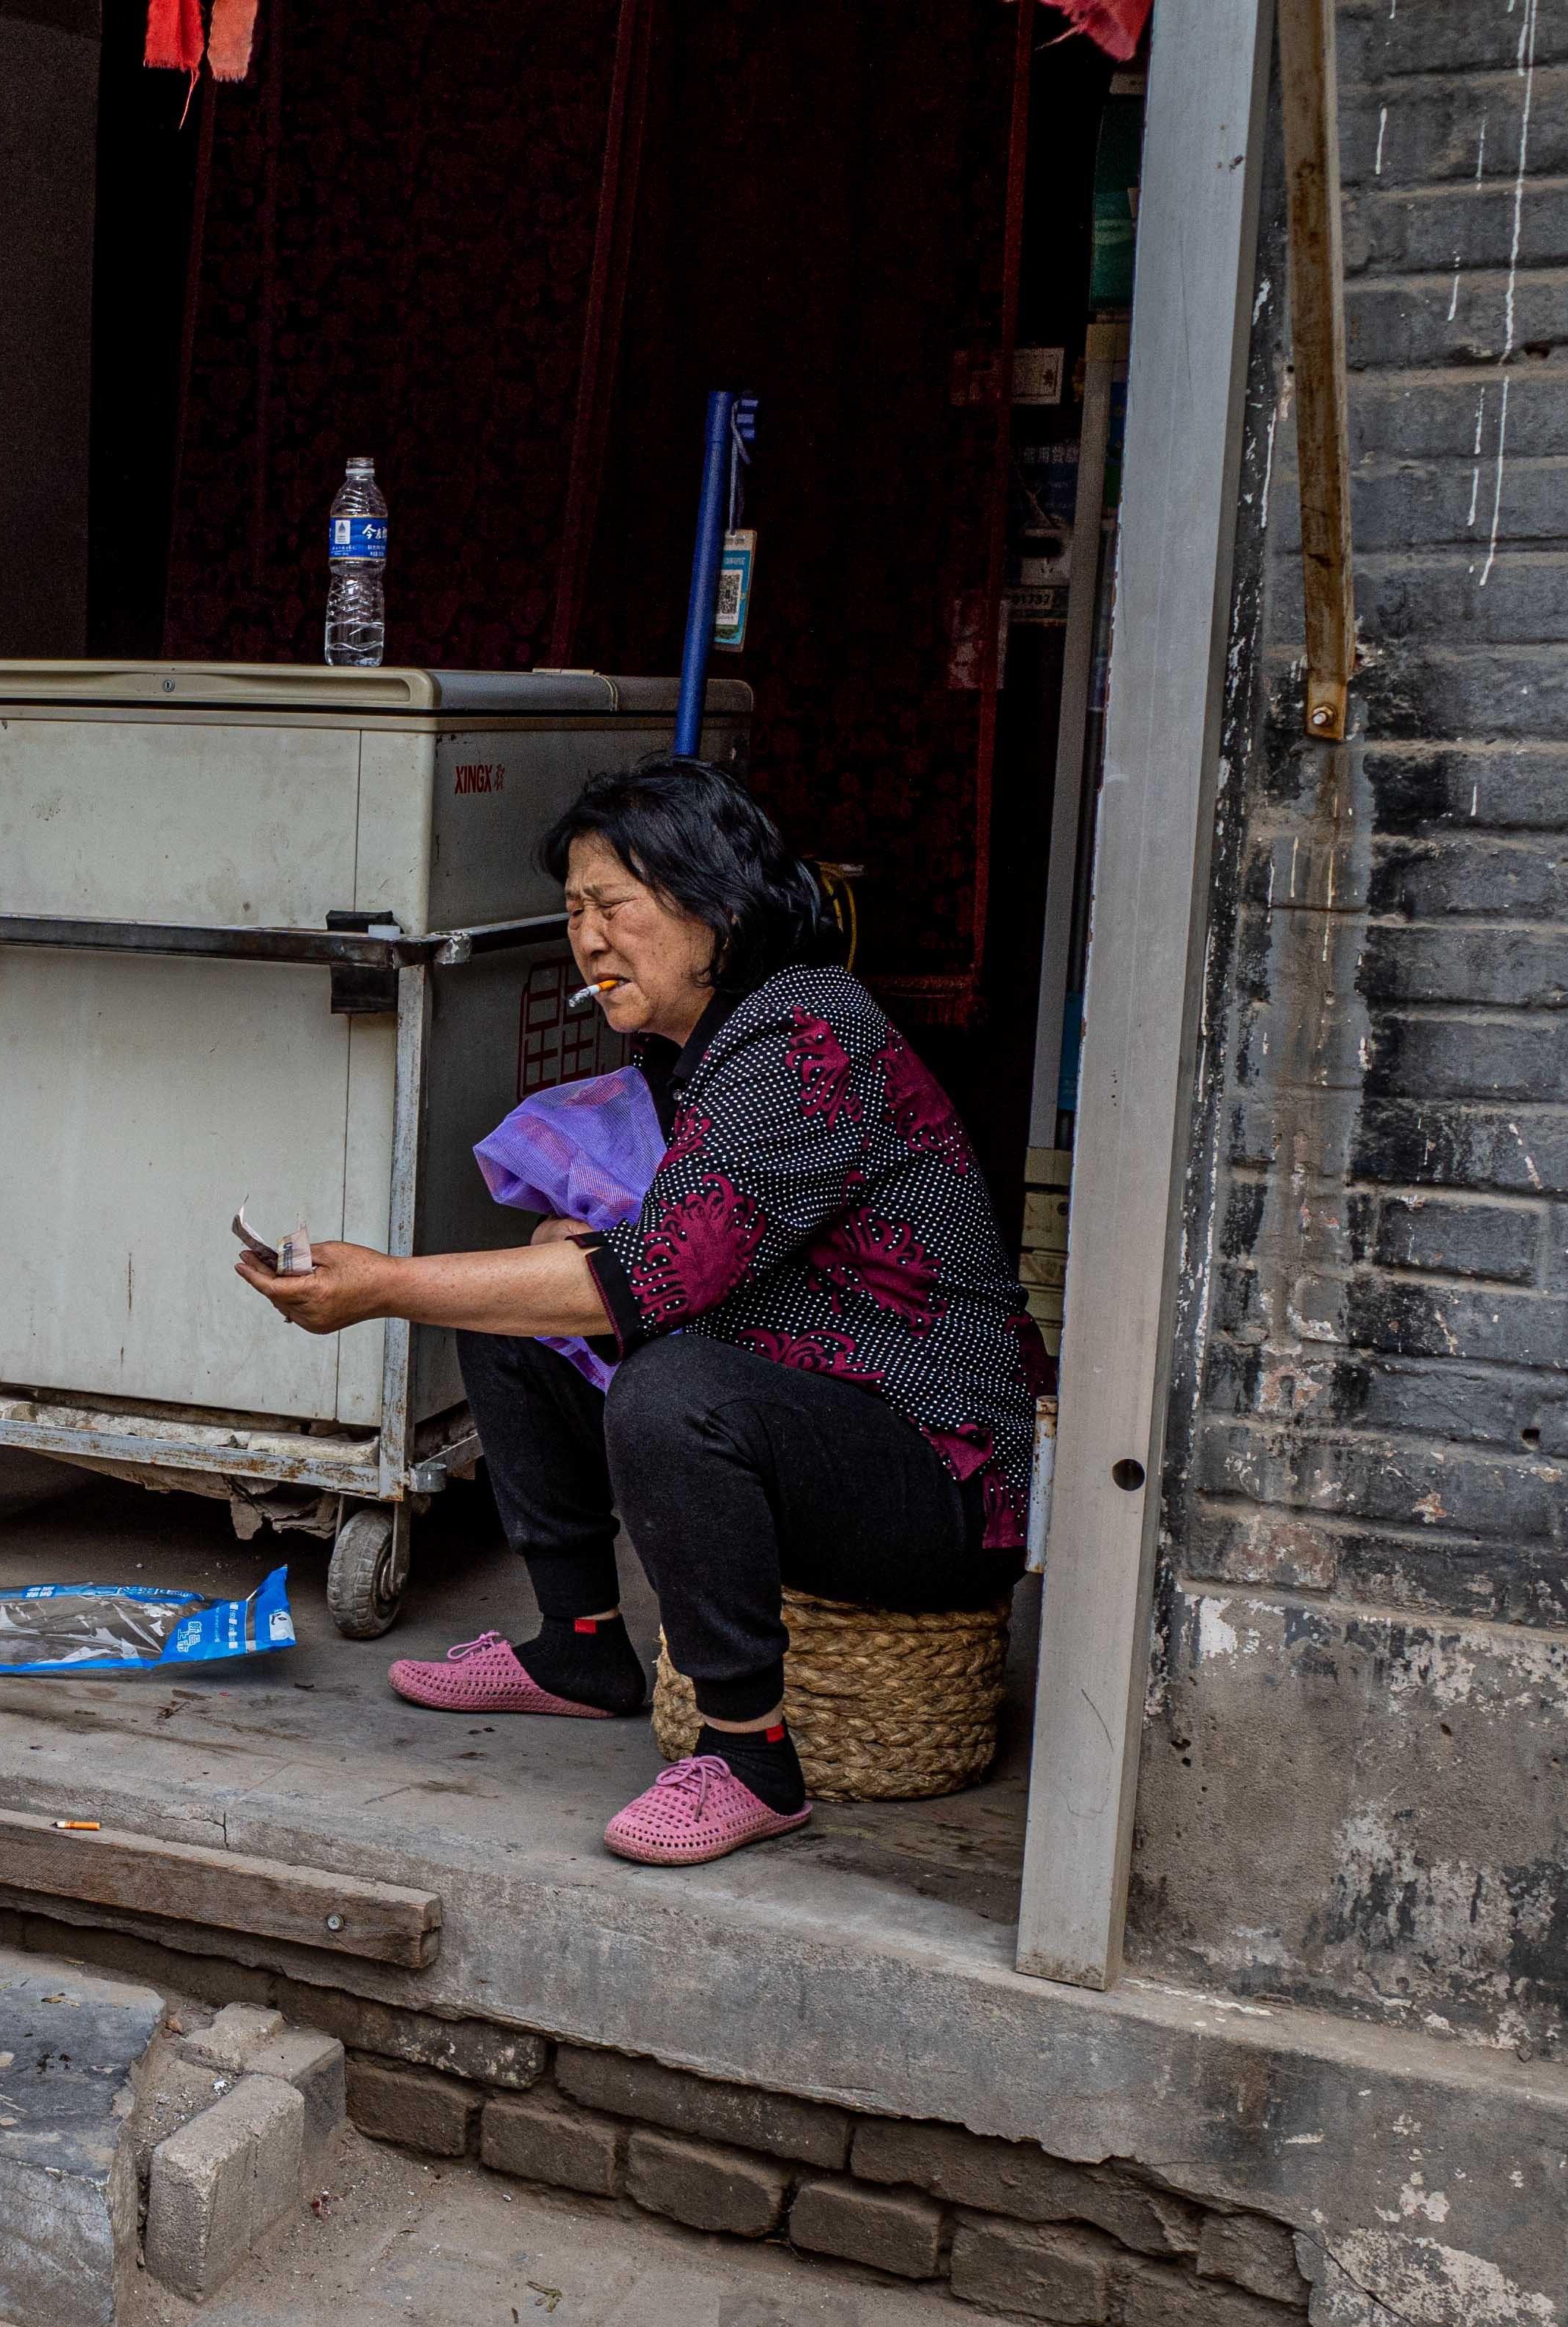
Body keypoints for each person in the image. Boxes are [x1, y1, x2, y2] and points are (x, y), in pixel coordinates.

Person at [240, 756, 1048, 1867]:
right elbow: (686, 1255)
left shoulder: (805, 1033)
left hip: (941, 1477)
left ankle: (750, 1757)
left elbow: (652, 1281)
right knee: (517, 1312)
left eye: (613, 905)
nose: (587, 939)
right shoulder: (695, 1047)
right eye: (573, 912)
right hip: (815, 1412)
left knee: (673, 1393)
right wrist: (560, 1260)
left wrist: (380, 1285)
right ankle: (577, 1650)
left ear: (716, 905)